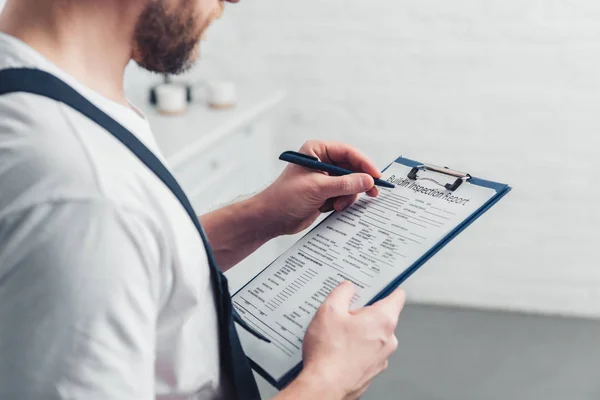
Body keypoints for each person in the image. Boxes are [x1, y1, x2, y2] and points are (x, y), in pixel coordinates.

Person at [0, 0, 406, 399]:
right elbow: (98, 224)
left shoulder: (45, 97)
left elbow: (129, 260)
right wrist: (329, 381)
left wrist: (262, 215)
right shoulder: (84, 189)